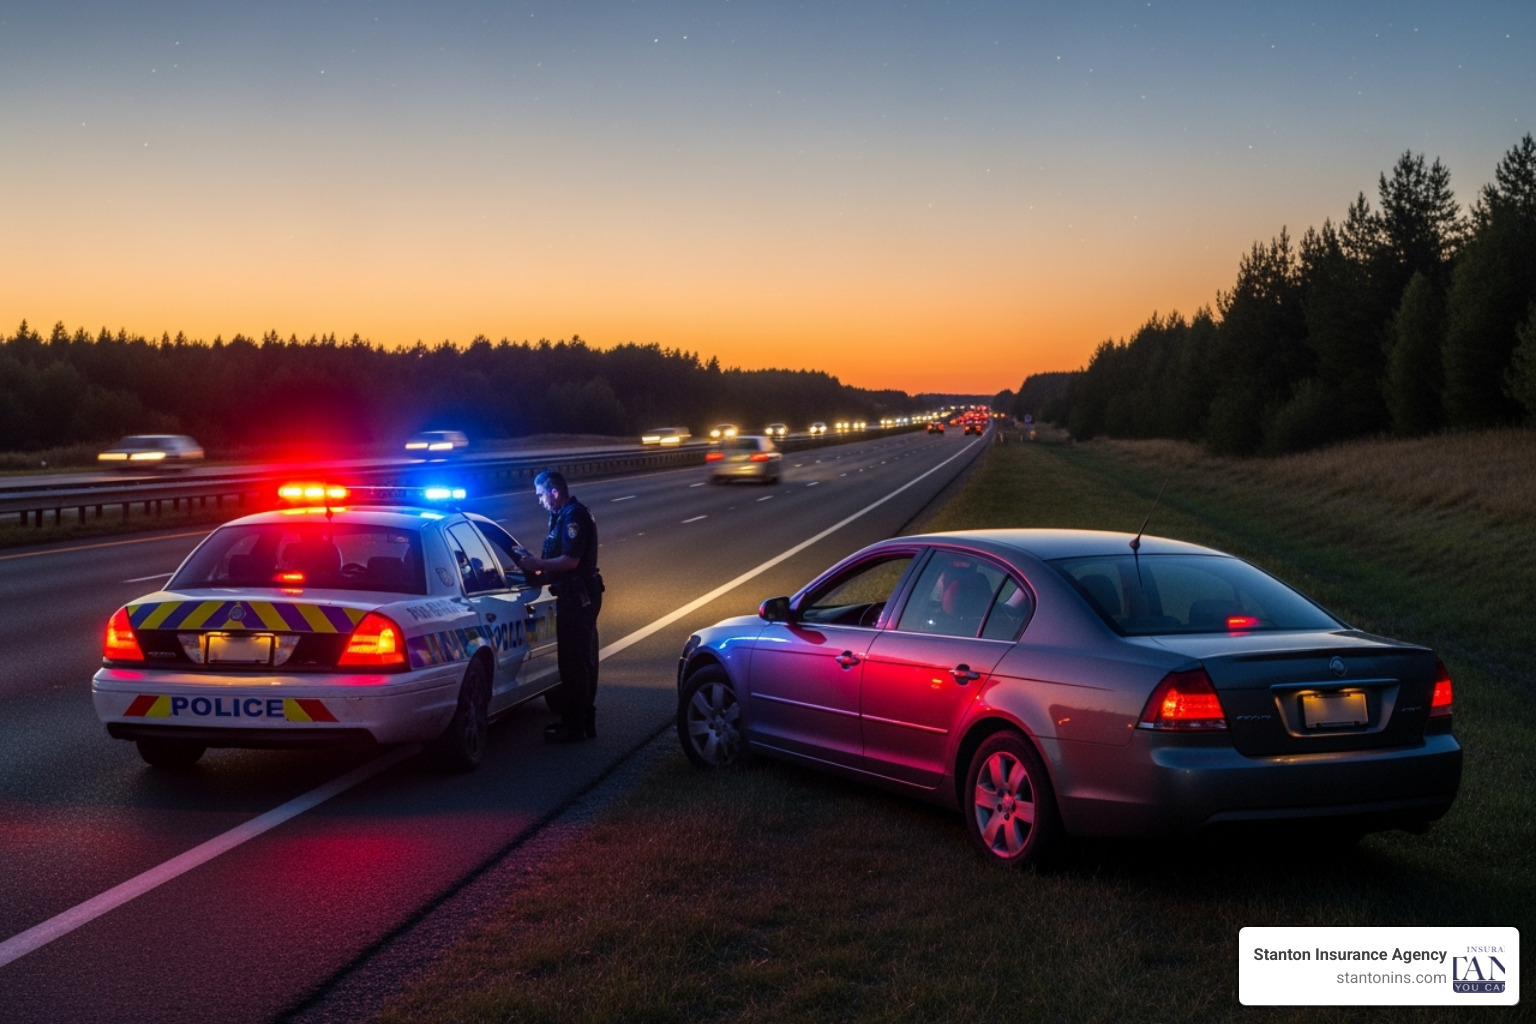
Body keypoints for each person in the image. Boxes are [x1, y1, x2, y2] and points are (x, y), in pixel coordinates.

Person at [512, 470, 603, 743]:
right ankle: (580, 721)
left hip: (578, 598)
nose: (539, 501)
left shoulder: (574, 516)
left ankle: (576, 725)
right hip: (572, 595)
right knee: (576, 661)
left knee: (575, 663)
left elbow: (571, 561)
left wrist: (539, 564)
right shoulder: (561, 516)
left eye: (541, 495)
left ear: (554, 491)